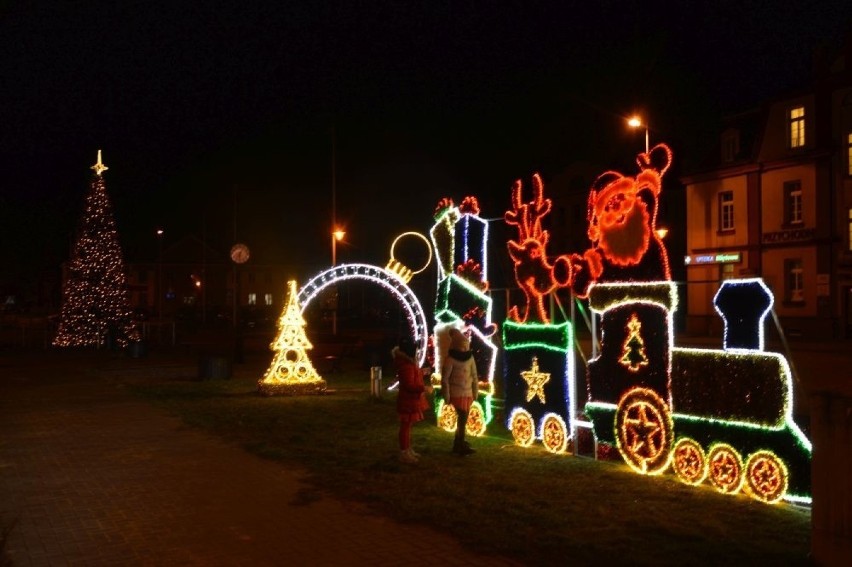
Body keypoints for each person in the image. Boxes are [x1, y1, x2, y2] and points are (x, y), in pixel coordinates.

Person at [393, 337, 432, 464]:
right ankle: (404, 451)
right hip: (408, 401)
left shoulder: (408, 364)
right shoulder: (407, 366)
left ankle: (407, 449)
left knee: (407, 426)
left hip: (410, 401)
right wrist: (424, 388)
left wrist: (421, 372)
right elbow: (409, 385)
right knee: (405, 427)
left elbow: (412, 376)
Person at [441, 328, 478, 456]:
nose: (464, 348)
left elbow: (474, 375)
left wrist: (475, 391)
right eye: (462, 346)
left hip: (467, 393)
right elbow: (445, 379)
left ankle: (459, 443)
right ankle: (459, 444)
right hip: (457, 393)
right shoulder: (450, 359)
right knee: (462, 418)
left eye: (466, 346)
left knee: (463, 419)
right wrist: (447, 395)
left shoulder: (470, 358)